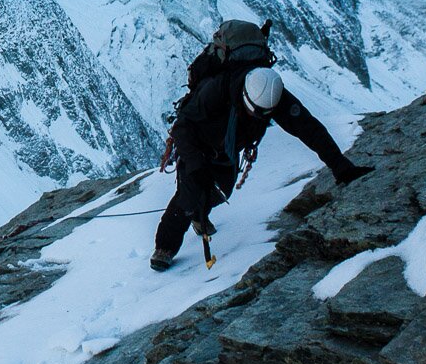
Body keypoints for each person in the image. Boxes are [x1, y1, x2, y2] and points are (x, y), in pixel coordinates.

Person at [151, 53, 369, 271]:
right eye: (256, 111)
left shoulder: (276, 98)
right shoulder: (216, 91)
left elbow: (310, 130)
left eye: (266, 114)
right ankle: (165, 248)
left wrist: (341, 167)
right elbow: (183, 127)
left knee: (220, 192)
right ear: (244, 95)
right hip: (196, 144)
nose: (260, 117)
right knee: (189, 194)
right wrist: (196, 164)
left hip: (226, 149)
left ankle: (199, 214)